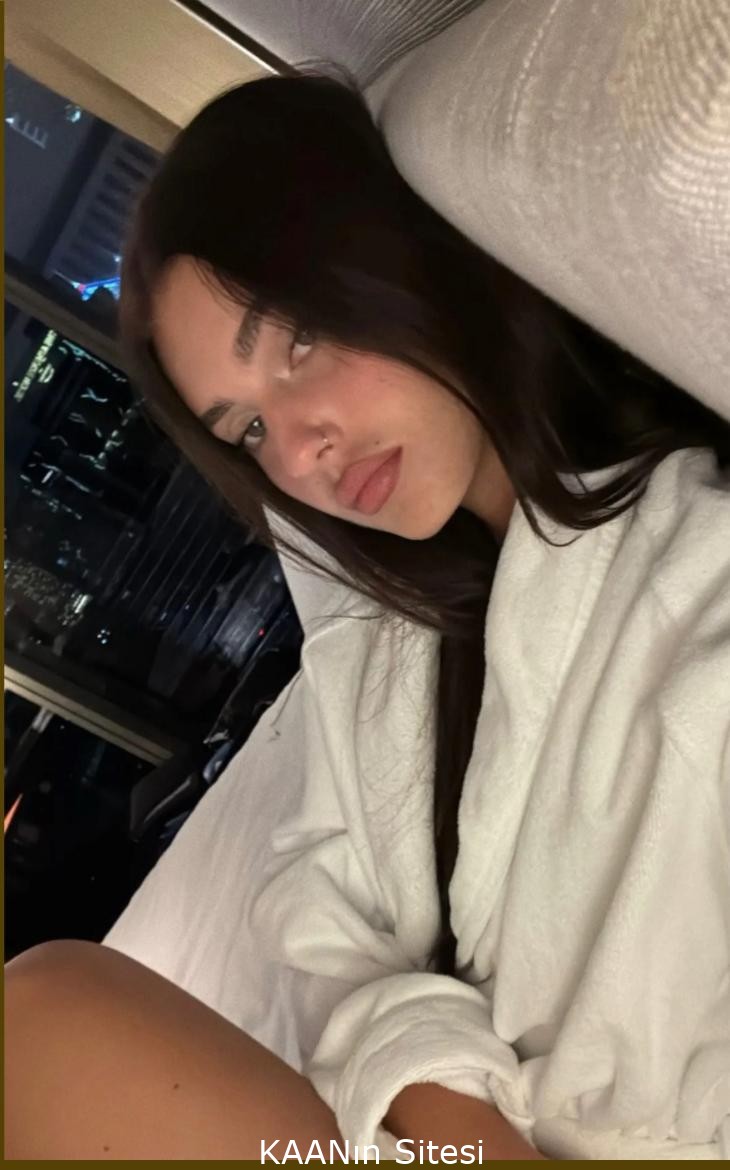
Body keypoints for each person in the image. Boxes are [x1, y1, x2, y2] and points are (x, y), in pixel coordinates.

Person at [5, 72, 729, 1162]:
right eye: (247, 431)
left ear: (398, 254)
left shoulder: (697, 582)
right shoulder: (392, 646)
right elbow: (331, 938)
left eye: (298, 341)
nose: (301, 451)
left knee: (41, 1016)